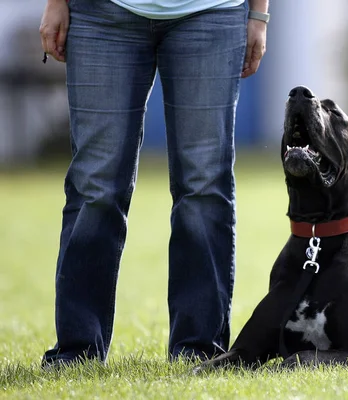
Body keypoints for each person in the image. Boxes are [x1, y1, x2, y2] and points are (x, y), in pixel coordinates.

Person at [38, 0, 269, 367]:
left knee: (205, 187)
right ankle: (78, 350)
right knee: (95, 186)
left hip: (211, 11)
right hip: (101, 14)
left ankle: (199, 348)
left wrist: (258, 14)